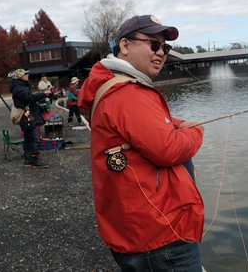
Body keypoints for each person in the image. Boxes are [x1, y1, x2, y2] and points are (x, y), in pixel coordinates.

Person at [78, 15, 205, 272]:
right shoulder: (129, 94)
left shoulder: (111, 87)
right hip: (159, 234)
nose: (161, 53)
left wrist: (175, 124)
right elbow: (168, 149)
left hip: (134, 228)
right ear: (125, 46)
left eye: (165, 48)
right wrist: (195, 132)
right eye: (154, 45)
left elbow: (144, 125)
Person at [10, 68, 52, 169]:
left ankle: (28, 159)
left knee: (28, 137)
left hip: (27, 114)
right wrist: (44, 94)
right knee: (33, 137)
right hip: (26, 116)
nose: (28, 75)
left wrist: (41, 108)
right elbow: (30, 98)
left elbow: (30, 101)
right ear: (20, 76)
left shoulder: (20, 86)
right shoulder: (19, 88)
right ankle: (35, 160)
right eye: (25, 74)